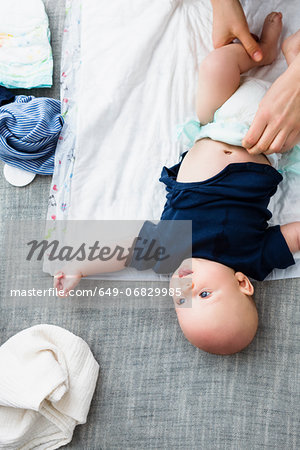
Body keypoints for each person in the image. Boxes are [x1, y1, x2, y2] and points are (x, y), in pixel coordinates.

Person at [54, 13, 300, 355]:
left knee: (215, 66)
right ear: (242, 283)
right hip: (264, 139)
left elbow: (123, 248)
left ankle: (271, 55)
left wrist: (79, 265)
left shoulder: (168, 254)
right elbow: (294, 236)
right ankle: (286, 59)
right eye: (203, 294)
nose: (185, 285)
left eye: (181, 300)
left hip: (215, 121)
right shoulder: (254, 259)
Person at [210, 0, 300, 155]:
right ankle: (289, 56)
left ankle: (265, 51)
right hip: (273, 144)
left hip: (216, 121)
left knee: (217, 63)